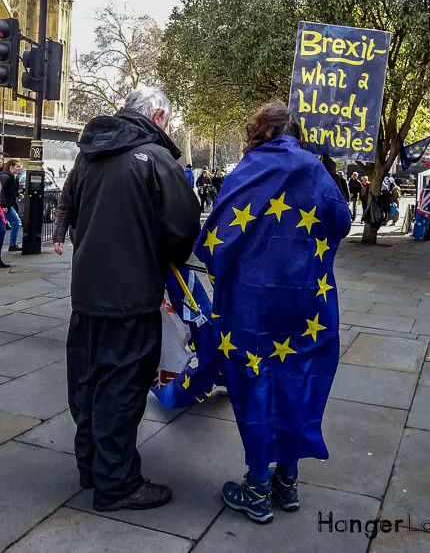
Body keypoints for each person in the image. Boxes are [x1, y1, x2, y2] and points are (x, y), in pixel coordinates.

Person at [196, 102, 351, 524]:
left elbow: (214, 236)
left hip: (251, 306)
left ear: (257, 131)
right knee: (296, 380)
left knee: (254, 383)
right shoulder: (315, 169)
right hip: (306, 301)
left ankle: (258, 487)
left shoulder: (247, 170)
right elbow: (342, 221)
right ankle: (288, 480)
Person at [64, 86, 201, 513]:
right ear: (158, 117)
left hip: (87, 292)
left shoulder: (89, 155)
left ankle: (93, 466)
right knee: (122, 387)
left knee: (88, 382)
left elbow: (71, 211)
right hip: (131, 295)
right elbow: (182, 230)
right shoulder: (156, 159)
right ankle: (118, 483)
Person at [0, 159, 22, 251]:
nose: (19, 168)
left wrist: (17, 194)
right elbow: (2, 191)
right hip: (5, 205)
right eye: (17, 166)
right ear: (11, 167)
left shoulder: (11, 176)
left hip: (8, 204)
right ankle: (12, 244)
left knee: (15, 222)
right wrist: (4, 205)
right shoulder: (6, 177)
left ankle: (13, 244)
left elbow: (10, 190)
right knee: (16, 222)